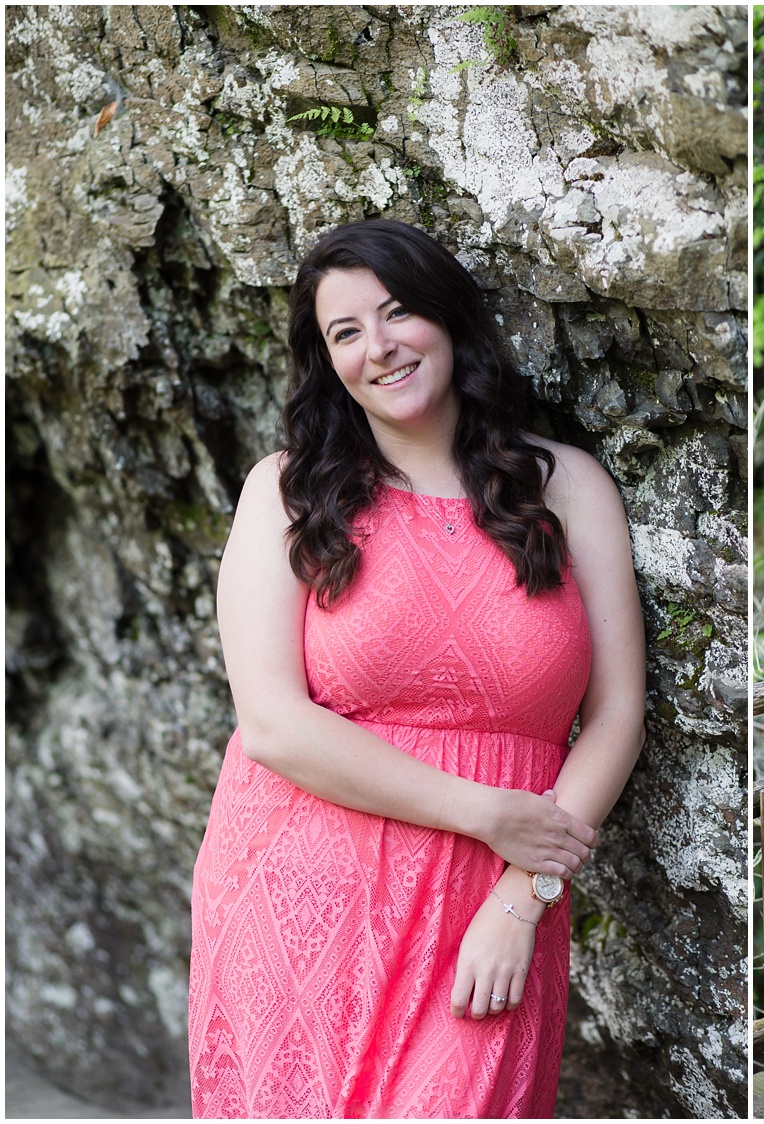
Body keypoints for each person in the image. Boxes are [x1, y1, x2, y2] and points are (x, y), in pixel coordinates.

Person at [187, 219, 646, 1116]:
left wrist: (526, 894)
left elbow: (619, 713)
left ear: (449, 319)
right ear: (327, 363)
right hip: (299, 895)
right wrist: (490, 815)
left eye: (398, 314)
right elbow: (273, 725)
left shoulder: (568, 489)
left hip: (493, 905)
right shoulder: (286, 494)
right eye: (346, 332)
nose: (379, 348)